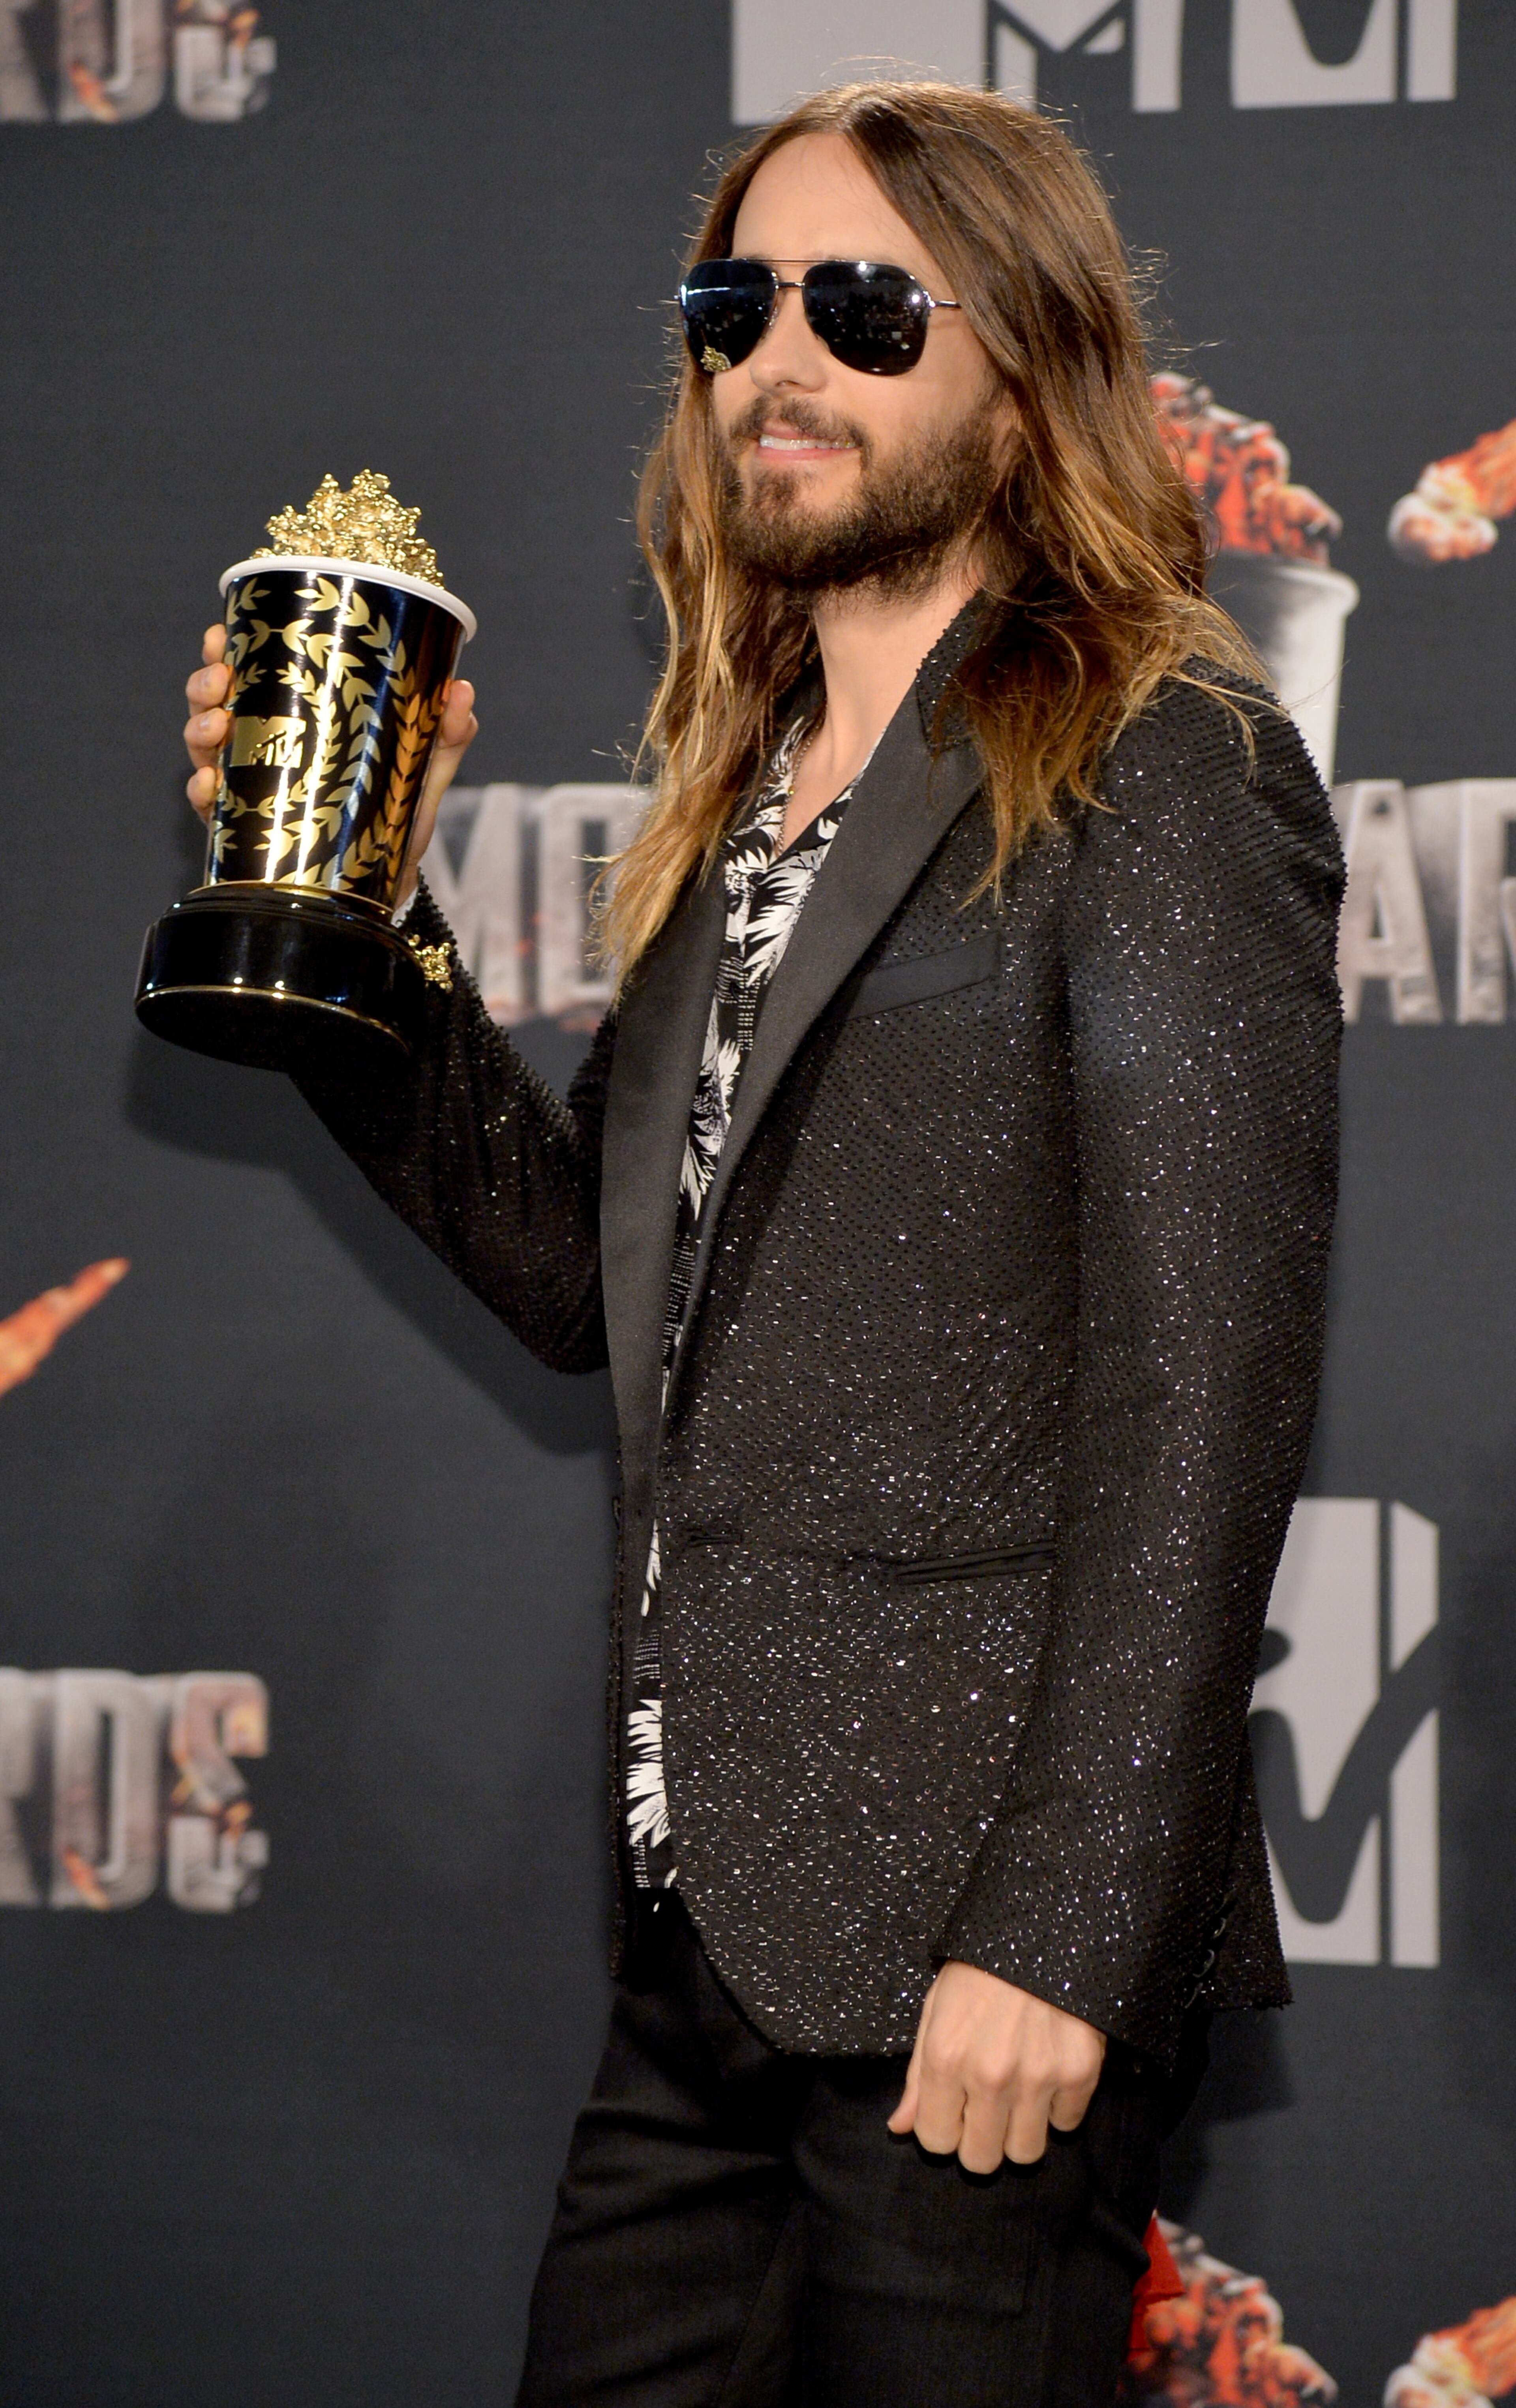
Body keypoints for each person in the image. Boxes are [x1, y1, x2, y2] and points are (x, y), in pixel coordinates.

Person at [182, 79, 1343, 2408]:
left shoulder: (1160, 754)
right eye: (735, 305)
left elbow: (1206, 1391)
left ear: (1025, 363)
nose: (776, 363)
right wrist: (353, 907)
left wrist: (1060, 1932)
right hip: (703, 1936)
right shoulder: (752, 785)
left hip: (973, 1970)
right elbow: (572, 1273)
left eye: (865, 309)